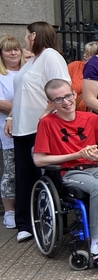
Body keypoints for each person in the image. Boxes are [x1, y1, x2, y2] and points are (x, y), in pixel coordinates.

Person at [33, 78, 98, 260]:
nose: (66, 101)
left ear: (74, 94)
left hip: (94, 166)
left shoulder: (92, 118)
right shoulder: (47, 123)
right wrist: (76, 154)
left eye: (68, 96)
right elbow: (39, 160)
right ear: (50, 103)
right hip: (68, 172)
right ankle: (96, 242)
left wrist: (97, 155)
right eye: (58, 99)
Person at [4, 22, 69, 242]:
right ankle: (26, 223)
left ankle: (44, 219)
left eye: (26, 34)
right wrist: (12, 116)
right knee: (24, 174)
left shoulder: (51, 56)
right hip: (23, 126)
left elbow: (62, 87)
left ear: (34, 35)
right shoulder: (32, 60)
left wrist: (47, 112)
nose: (24, 38)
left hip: (40, 125)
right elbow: (22, 93)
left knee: (42, 172)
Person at [0, 35, 25, 229]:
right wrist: (24, 107)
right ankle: (9, 211)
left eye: (16, 48)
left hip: (31, 128)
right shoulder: (2, 75)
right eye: (9, 50)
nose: (14, 52)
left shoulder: (27, 71)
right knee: (11, 171)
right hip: (8, 129)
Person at [67, 41, 98, 111]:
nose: (84, 55)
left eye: (89, 54)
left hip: (93, 112)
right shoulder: (74, 66)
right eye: (85, 52)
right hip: (73, 111)